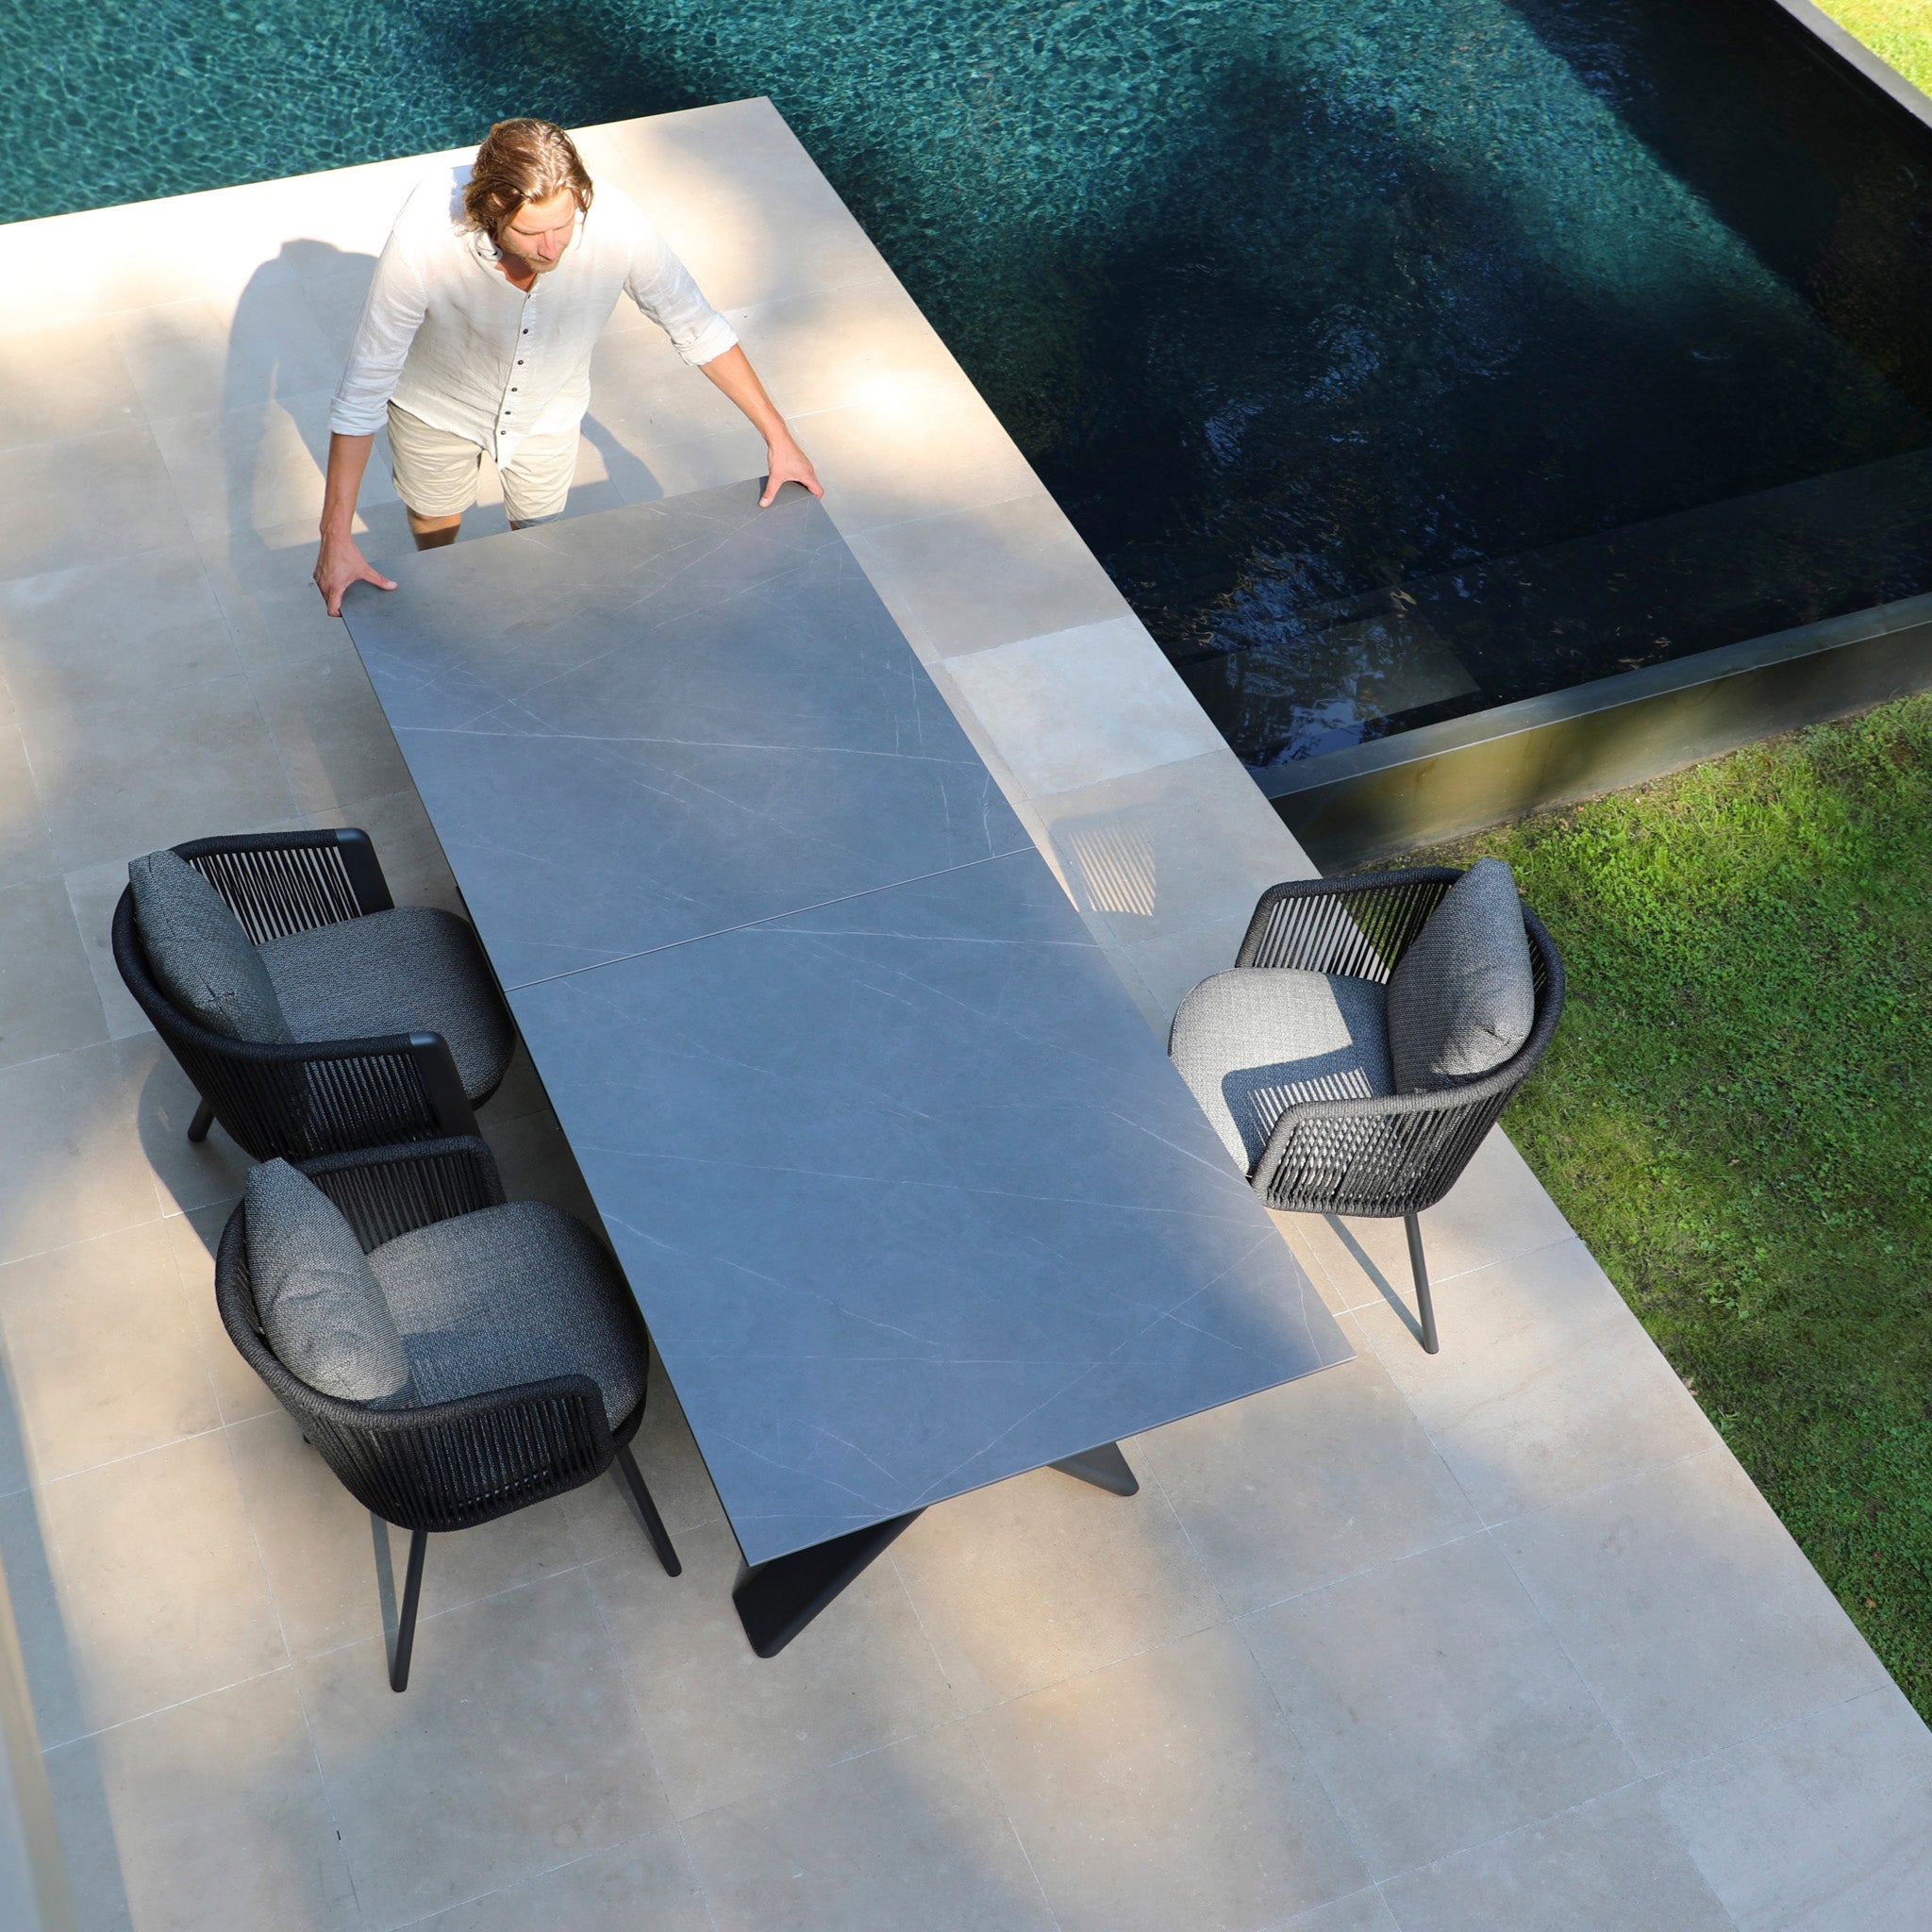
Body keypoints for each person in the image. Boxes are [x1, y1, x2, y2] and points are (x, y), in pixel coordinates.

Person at [313, 117, 819, 615]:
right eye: (531, 232)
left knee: (540, 526)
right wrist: (334, 538)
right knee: (433, 509)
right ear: (489, 211)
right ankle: (445, 580)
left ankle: (534, 604)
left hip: (549, 406)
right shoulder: (425, 235)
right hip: (434, 407)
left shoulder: (615, 220)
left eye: (563, 224)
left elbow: (698, 326)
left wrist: (781, 440)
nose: (552, 248)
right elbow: (363, 389)